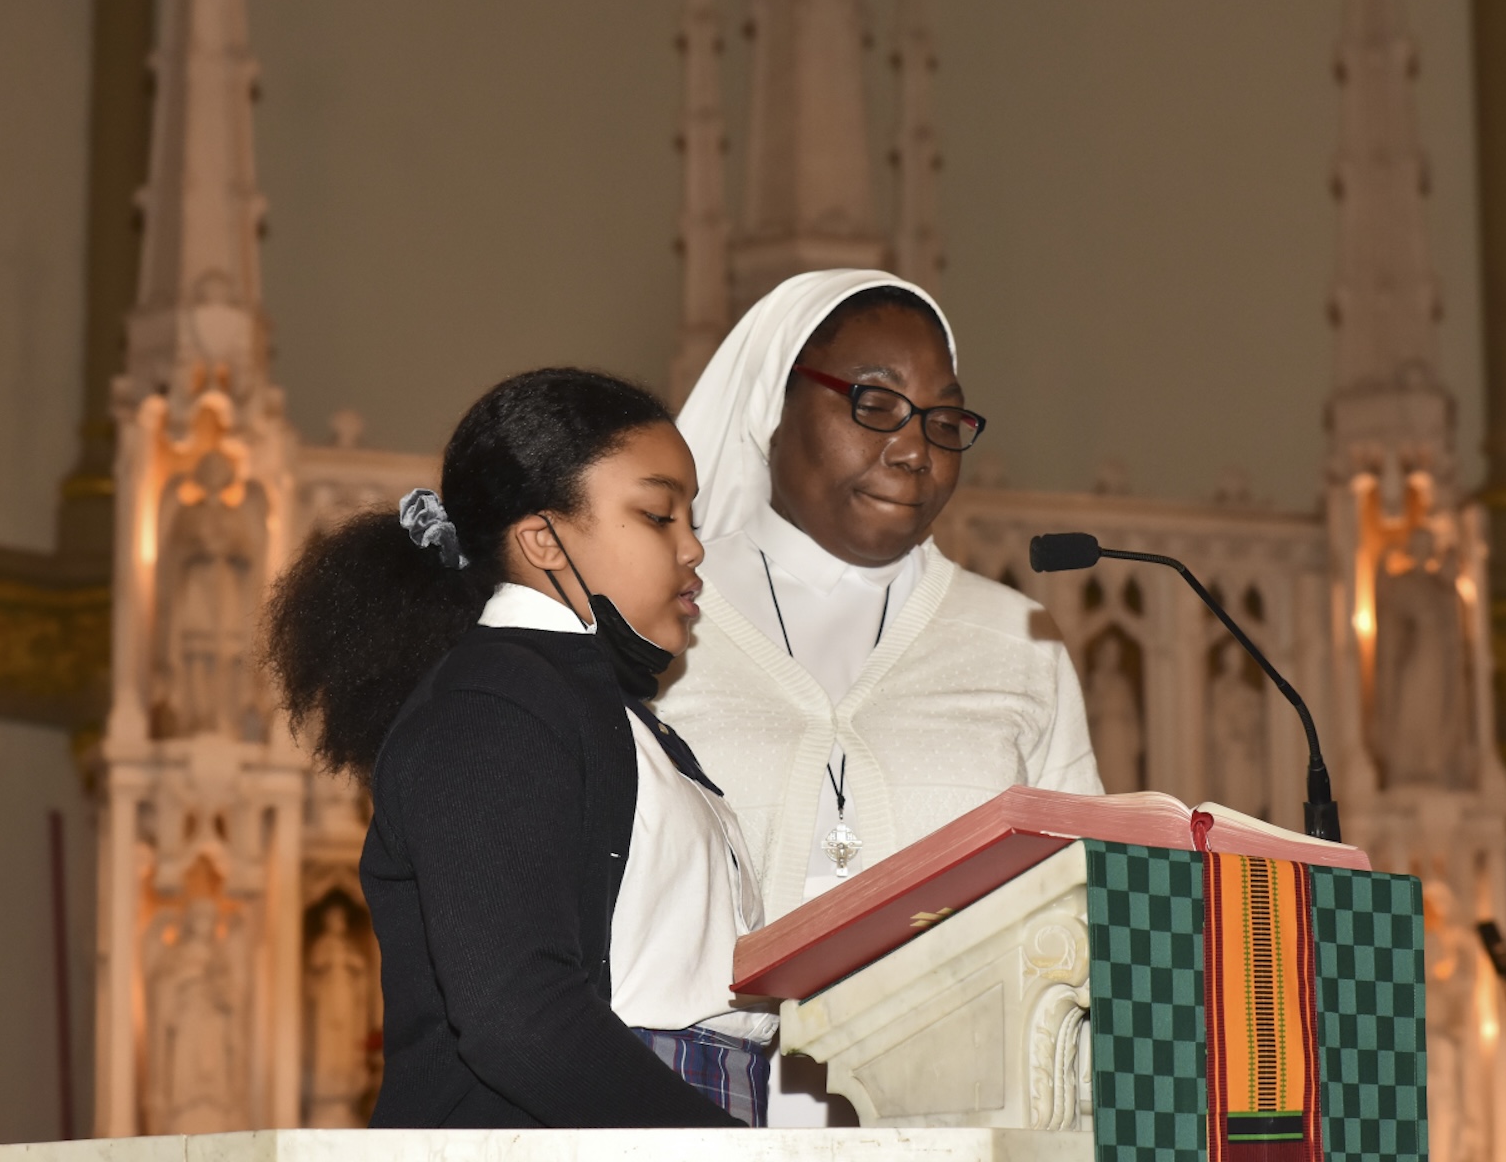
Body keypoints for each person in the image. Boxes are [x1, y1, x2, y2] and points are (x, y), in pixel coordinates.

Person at [263, 368, 775, 1128]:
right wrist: (722, 1151)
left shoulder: (601, 708)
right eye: (660, 514)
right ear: (543, 539)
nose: (695, 547)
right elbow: (516, 1015)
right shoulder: (493, 706)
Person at [660, 270, 1101, 1123]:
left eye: (944, 419)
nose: (915, 449)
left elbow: (1079, 918)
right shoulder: (664, 617)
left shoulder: (1018, 639)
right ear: (770, 408)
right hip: (710, 1118)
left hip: (965, 1123)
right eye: (874, 403)